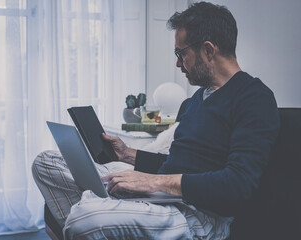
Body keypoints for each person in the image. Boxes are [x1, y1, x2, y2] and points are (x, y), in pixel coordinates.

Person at [32, 2, 280, 239]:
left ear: (208, 50)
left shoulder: (253, 97)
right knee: (46, 163)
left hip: (197, 214)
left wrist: (151, 182)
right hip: (164, 198)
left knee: (82, 219)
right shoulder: (197, 99)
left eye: (181, 53)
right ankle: (105, 211)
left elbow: (238, 185)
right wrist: (127, 154)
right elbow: (177, 163)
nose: (177, 63)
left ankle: (100, 211)